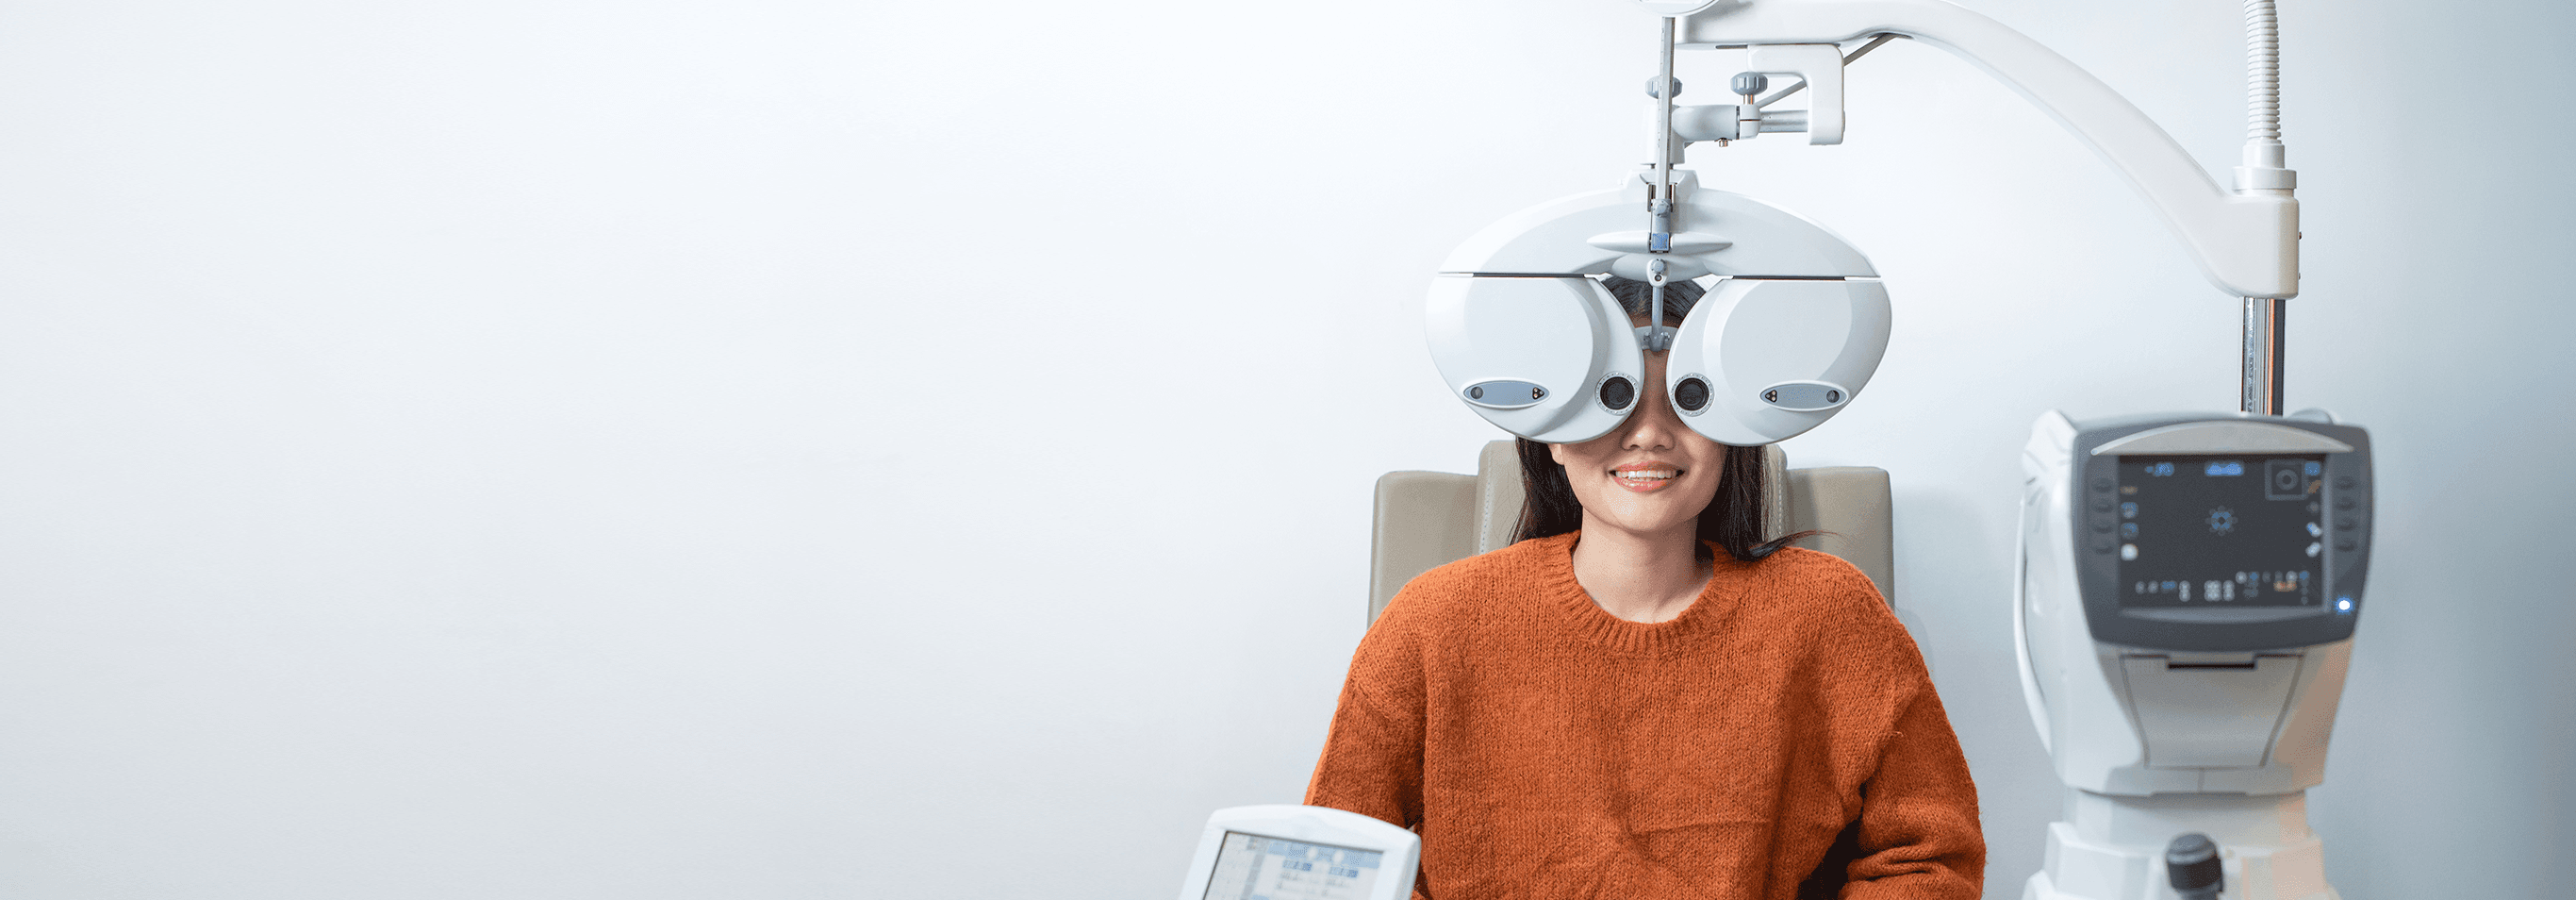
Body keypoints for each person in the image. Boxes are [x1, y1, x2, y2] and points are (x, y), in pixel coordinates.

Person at [1305, 276, 1984, 899]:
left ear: (1733, 430)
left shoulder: (1829, 613)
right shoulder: (1433, 621)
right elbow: (1336, 861)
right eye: (1612, 399)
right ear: (1552, 434)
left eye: (1688, 400)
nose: (1651, 434)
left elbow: (1931, 860)